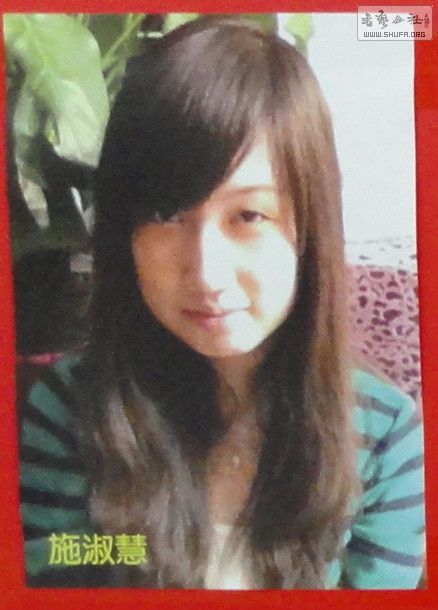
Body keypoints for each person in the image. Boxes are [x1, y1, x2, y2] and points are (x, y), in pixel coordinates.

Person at [19, 16, 425, 589]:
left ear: (310, 228)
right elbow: (62, 576)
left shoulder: (384, 436)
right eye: (166, 214)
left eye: (249, 215)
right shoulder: (70, 409)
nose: (207, 273)